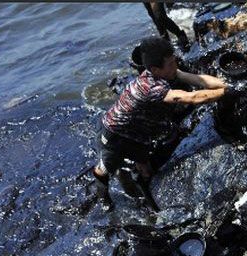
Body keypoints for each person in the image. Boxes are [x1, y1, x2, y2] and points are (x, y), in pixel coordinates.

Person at [92, 37, 226, 207]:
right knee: (104, 170)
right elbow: (191, 97)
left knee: (146, 170)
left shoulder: (164, 72)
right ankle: (104, 198)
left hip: (135, 132)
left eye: (174, 61)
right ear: (155, 69)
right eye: (170, 64)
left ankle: (137, 180)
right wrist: (227, 93)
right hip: (114, 136)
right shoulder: (151, 88)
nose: (175, 66)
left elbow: (199, 80)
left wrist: (227, 84)